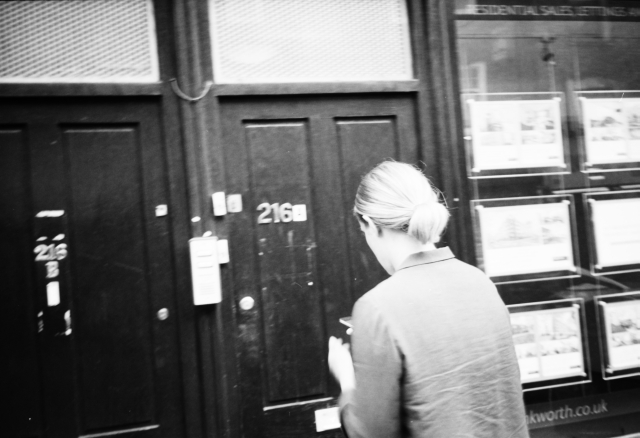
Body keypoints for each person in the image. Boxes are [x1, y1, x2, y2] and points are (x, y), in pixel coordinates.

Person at [328, 161, 529, 438]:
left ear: (370, 225)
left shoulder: (377, 308)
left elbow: (369, 433)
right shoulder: (480, 282)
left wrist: (347, 381)